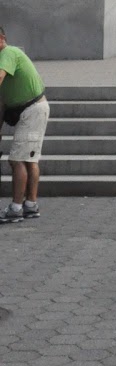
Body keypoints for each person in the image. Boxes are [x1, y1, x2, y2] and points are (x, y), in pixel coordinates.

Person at [0, 29, 49, 224]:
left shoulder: (8, 53)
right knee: (29, 160)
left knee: (17, 160)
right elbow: (2, 104)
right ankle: (30, 205)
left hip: (32, 110)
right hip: (32, 110)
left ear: (2, 38)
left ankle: (16, 208)